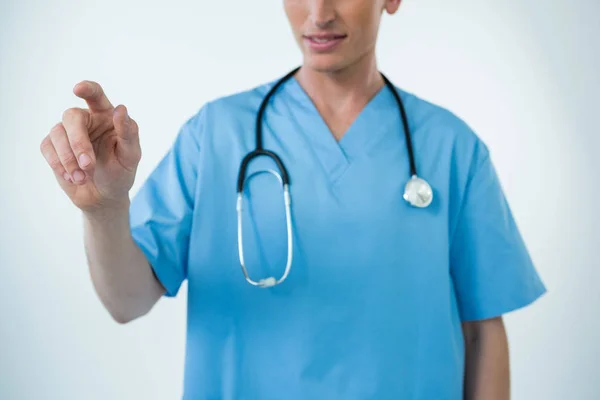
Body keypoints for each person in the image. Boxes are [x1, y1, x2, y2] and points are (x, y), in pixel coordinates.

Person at [39, 0, 546, 398]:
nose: (318, 13)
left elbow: (483, 333)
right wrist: (104, 208)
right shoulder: (216, 134)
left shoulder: (451, 148)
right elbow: (127, 301)